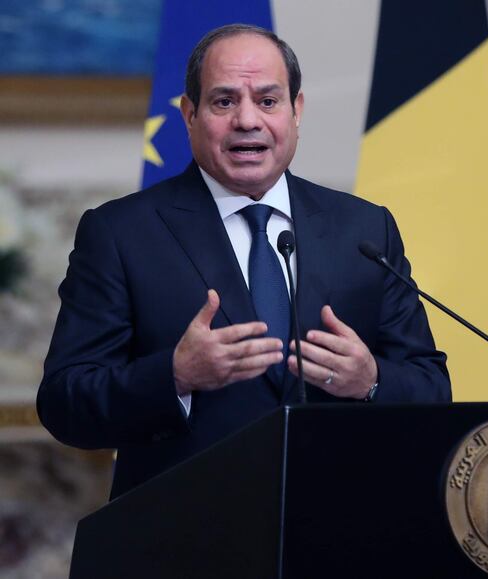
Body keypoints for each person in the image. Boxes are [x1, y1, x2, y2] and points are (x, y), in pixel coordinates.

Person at [37, 24, 450, 498]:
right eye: (224, 101)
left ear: (296, 110)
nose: (247, 120)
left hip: (337, 521)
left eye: (268, 101)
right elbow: (64, 403)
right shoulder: (120, 233)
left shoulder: (365, 229)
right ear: (189, 114)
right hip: (182, 527)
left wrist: (371, 380)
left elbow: (432, 388)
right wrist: (174, 375)